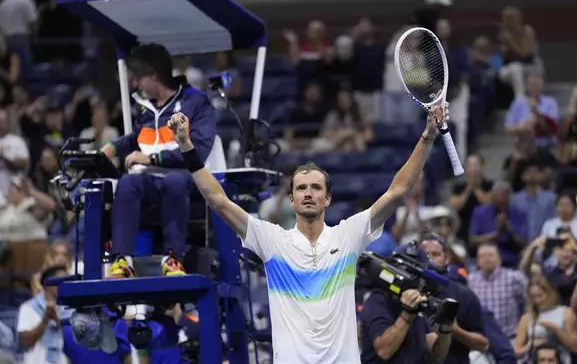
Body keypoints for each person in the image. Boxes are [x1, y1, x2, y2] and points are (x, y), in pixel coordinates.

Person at [167, 103, 448, 363]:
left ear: (327, 199)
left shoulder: (348, 236)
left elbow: (397, 191)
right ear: (291, 200)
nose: (308, 193)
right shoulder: (272, 240)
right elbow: (217, 199)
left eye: (316, 188)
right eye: (301, 188)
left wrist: (428, 135)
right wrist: (186, 145)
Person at [101, 43, 217, 278]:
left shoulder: (197, 102)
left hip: (188, 178)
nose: (135, 84)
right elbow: (139, 137)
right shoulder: (147, 107)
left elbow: (200, 151)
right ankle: (123, 260)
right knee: (127, 183)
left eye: (138, 78)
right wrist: (112, 147)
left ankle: (173, 258)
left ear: (153, 75)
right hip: (151, 180)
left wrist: (153, 157)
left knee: (174, 180)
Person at [359, 244, 453, 364]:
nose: (420, 283)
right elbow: (384, 351)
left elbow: (436, 355)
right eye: (415, 277)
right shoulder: (378, 301)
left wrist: (446, 328)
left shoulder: (418, 303)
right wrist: (407, 314)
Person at [421, 236, 490, 364]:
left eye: (435, 254)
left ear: (446, 258)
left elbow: (483, 344)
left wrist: (455, 331)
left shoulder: (463, 294)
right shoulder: (407, 290)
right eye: (425, 254)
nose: (429, 259)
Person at [513, 277, 577, 364]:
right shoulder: (527, 317)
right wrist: (529, 346)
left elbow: (575, 347)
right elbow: (516, 351)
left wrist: (555, 329)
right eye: (533, 297)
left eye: (540, 295)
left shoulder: (566, 313)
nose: (537, 300)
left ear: (549, 293)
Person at [17, 265, 71, 364]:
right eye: (61, 282)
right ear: (48, 284)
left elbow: (75, 343)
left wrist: (58, 321)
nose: (65, 285)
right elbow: (25, 342)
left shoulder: (70, 308)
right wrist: (45, 318)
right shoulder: (28, 308)